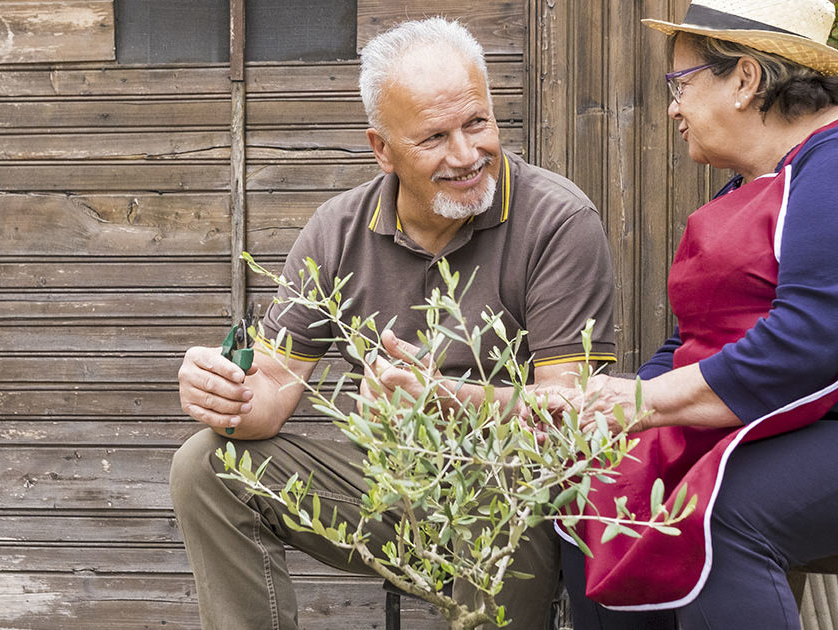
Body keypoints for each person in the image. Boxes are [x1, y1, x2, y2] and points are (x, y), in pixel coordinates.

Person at [170, 17, 618, 630]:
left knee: (504, 465)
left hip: (521, 503)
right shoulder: (337, 230)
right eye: (434, 137)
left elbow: (571, 415)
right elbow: (273, 387)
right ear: (382, 149)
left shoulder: (558, 221)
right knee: (206, 466)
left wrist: (449, 403)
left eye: (477, 123)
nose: (467, 156)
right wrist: (226, 394)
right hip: (392, 494)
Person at [530, 1, 838, 628]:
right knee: (594, 489)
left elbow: (804, 345)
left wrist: (639, 403)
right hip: (793, 424)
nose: (672, 106)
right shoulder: (760, 182)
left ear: (746, 79)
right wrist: (611, 409)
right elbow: (697, 339)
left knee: (717, 514)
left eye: (681, 83)